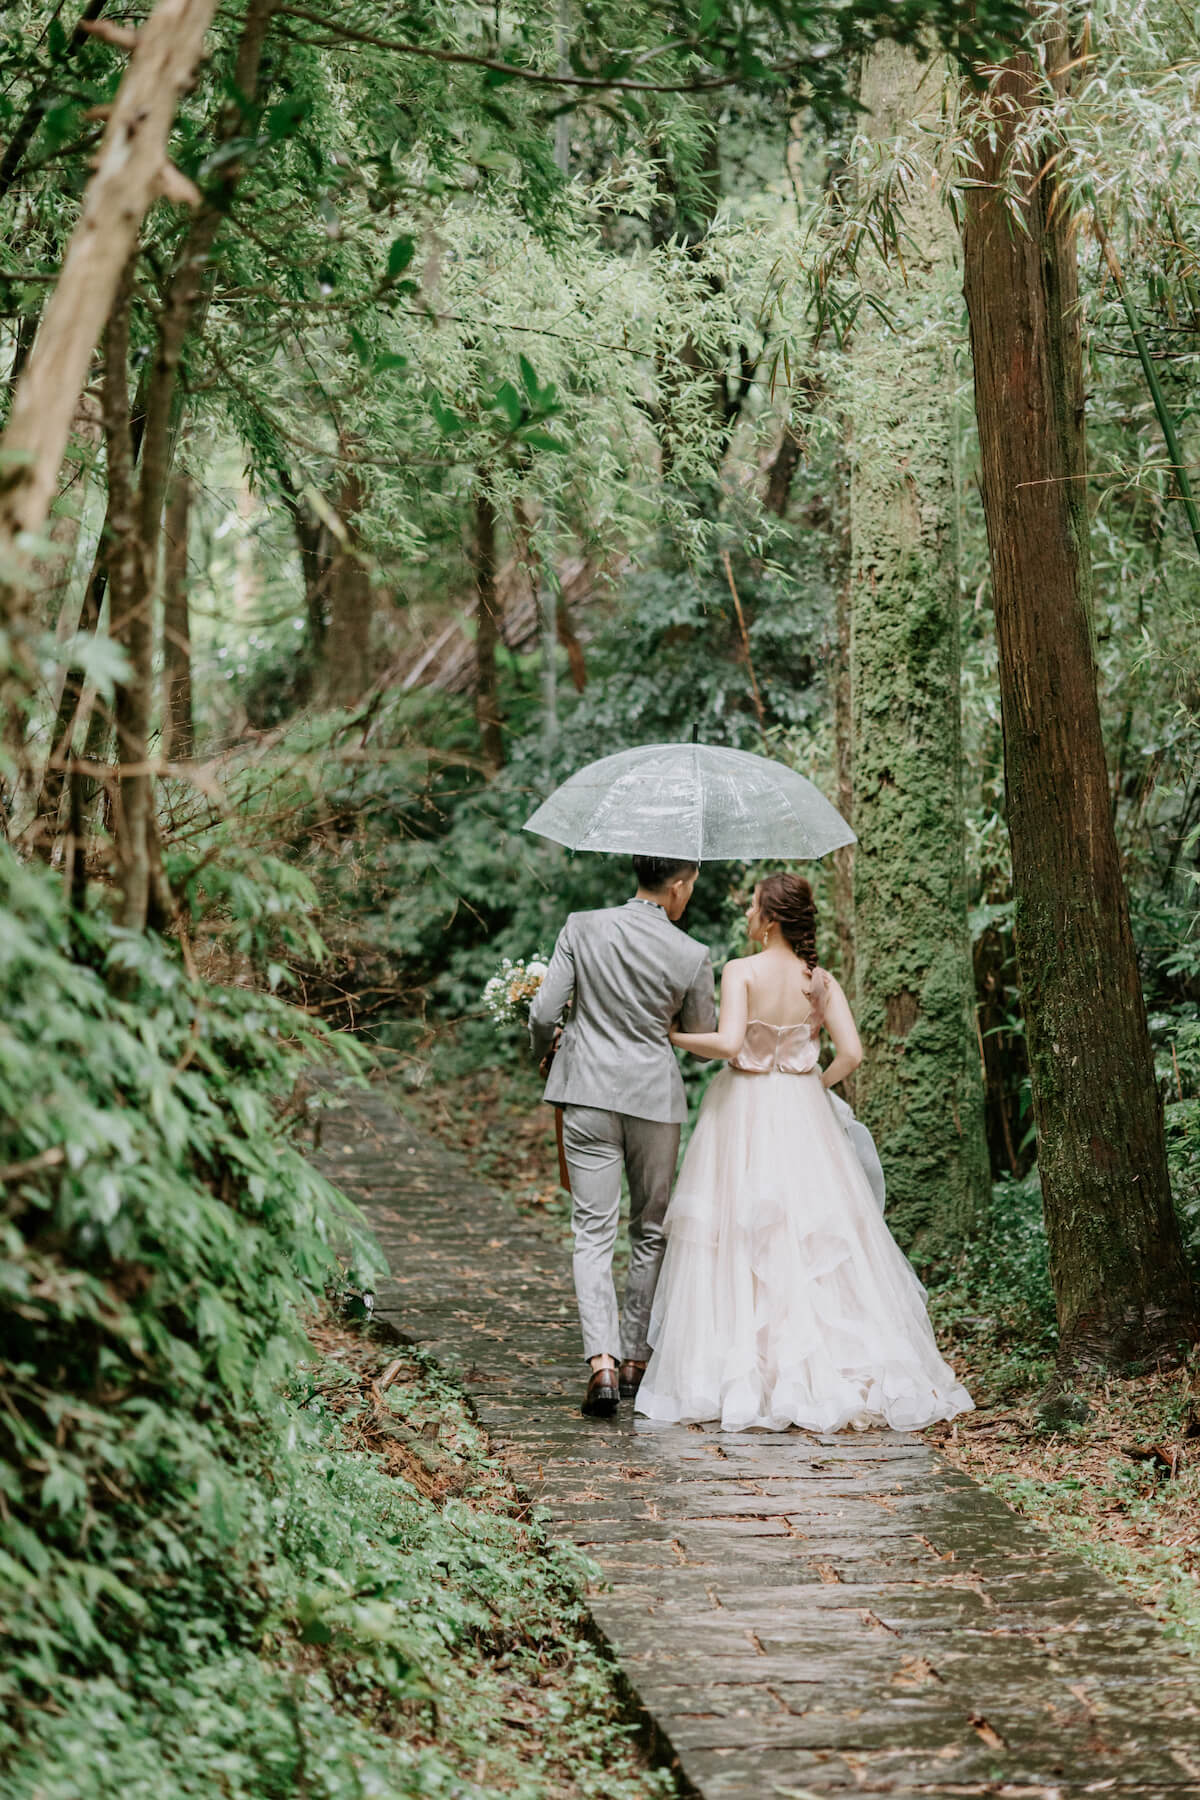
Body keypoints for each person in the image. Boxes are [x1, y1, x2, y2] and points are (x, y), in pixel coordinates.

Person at [635, 873, 972, 1433]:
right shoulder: (820, 980)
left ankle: (744, 1370)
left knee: (740, 1230)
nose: (748, 914)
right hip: (801, 1109)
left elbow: (727, 1043)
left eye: (753, 907)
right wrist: (814, 1085)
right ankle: (814, 1363)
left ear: (770, 920)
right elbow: (852, 1054)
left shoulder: (740, 970)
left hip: (742, 1108)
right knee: (805, 1231)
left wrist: (674, 1036)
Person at [530, 856, 717, 1418]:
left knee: (592, 1232)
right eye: (691, 887)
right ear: (678, 887)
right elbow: (701, 1038)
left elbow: (543, 1012)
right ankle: (636, 1358)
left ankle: (602, 1363)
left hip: (586, 1093)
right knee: (650, 1229)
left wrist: (546, 1051)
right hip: (654, 1101)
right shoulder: (692, 953)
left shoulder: (581, 926)